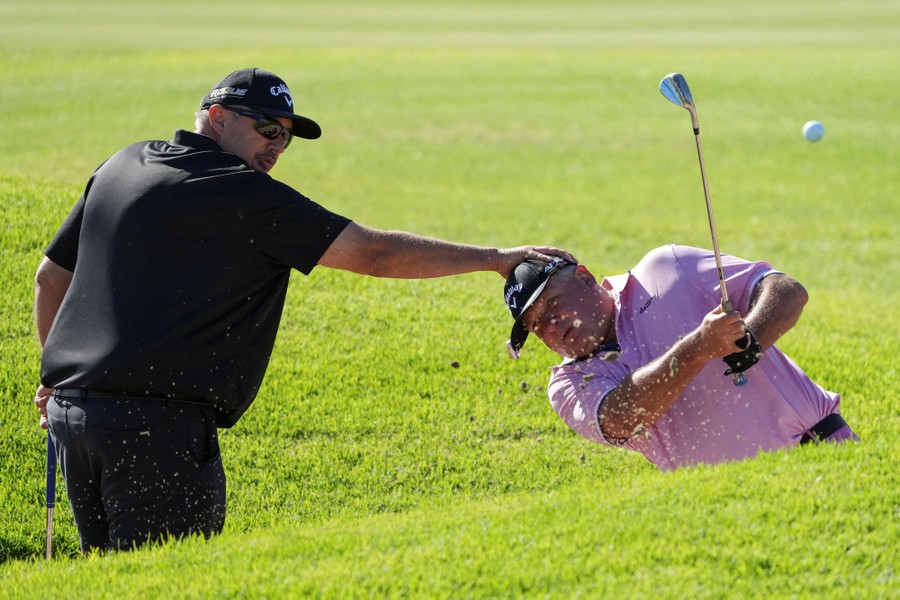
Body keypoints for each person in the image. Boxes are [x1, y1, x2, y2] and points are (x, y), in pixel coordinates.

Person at [33, 67, 573, 553]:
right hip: (155, 432)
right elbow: (373, 253)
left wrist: (58, 377)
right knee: (160, 583)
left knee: (104, 577)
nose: (277, 147)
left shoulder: (124, 164)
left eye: (287, 138)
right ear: (217, 118)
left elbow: (51, 276)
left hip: (74, 418)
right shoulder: (242, 195)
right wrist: (495, 260)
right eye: (267, 130)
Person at [502, 244, 858, 471]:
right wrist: (699, 346)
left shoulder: (665, 268)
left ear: (584, 277)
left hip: (827, 452)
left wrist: (750, 340)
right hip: (733, 503)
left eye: (551, 303)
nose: (550, 325)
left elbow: (785, 290)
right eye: (535, 325)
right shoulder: (569, 383)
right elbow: (621, 419)